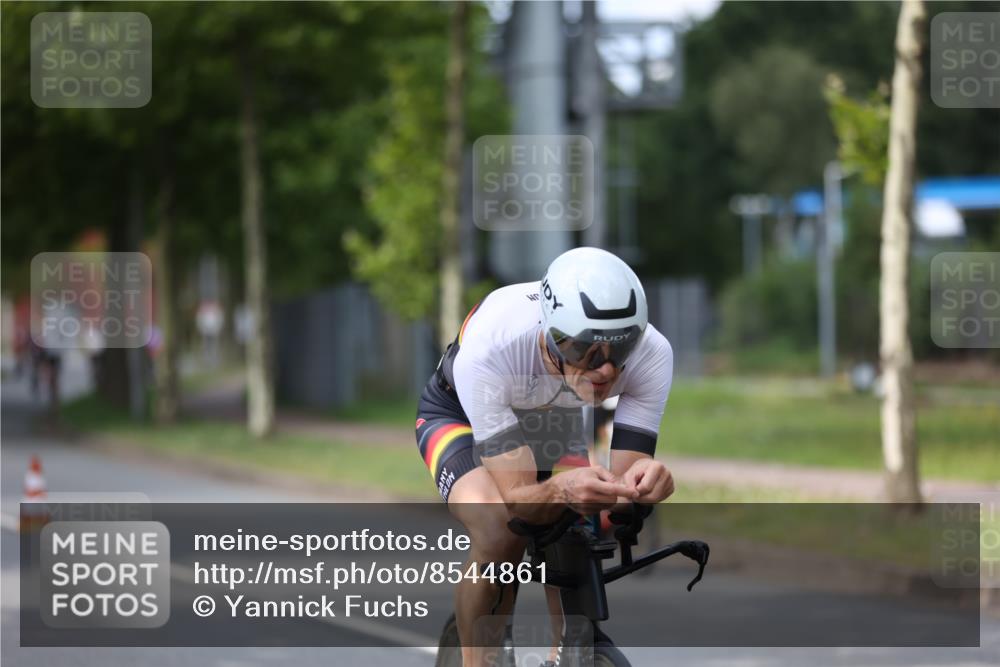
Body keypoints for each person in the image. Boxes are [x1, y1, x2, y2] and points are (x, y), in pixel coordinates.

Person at [415, 247, 675, 666]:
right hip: (459, 414)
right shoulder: (494, 347)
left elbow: (624, 486)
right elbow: (519, 498)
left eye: (621, 348)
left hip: (551, 415)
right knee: (501, 530)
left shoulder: (652, 353)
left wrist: (645, 481)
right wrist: (561, 489)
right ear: (552, 335)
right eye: (586, 351)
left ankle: (567, 654)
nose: (606, 370)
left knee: (579, 523)